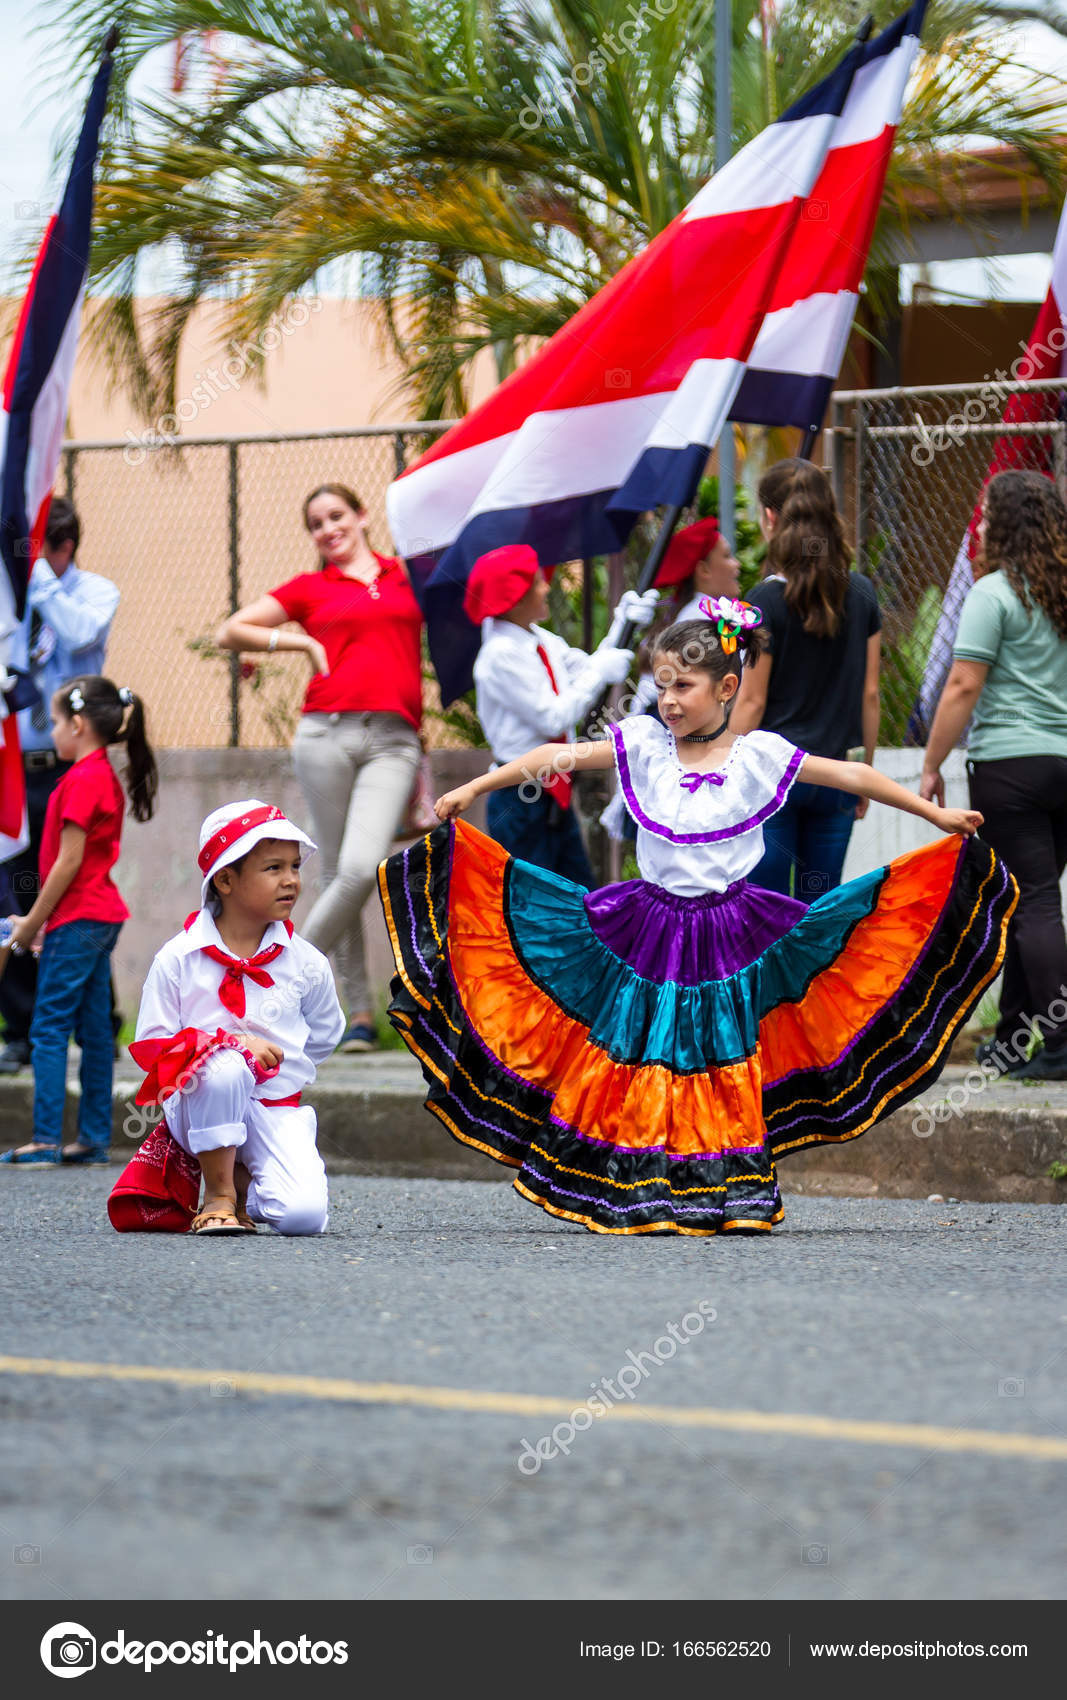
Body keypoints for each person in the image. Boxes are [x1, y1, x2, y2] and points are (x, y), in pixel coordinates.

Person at [377, 601, 1014, 1236]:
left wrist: (937, 818)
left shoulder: (758, 756)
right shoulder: (646, 745)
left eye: (683, 686)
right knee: (640, 1052)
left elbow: (849, 773)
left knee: (718, 1056)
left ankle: (721, 1182)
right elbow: (557, 756)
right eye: (660, 687)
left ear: (728, 687)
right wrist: (476, 788)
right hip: (647, 927)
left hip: (730, 932)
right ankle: (633, 1178)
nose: (669, 701)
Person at [217, 483, 422, 1054]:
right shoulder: (311, 588)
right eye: (316, 523)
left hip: (393, 740)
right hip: (323, 735)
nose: (329, 529)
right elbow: (229, 630)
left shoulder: (405, 573)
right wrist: (301, 647)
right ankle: (356, 1015)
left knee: (360, 869)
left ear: (361, 516)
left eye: (337, 516)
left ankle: (274, 979)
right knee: (337, 874)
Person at [120, 800, 346, 1235]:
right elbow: (152, 1045)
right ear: (224, 879)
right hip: (199, 1104)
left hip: (275, 1109)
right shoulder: (178, 958)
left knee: (304, 1218)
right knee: (224, 1070)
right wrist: (234, 1046)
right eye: (273, 868)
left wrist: (281, 1071)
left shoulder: (307, 962)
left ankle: (250, 1186)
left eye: (295, 866)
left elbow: (325, 1034)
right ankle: (218, 1194)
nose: (291, 881)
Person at [921, 469, 1067, 1081]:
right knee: (1021, 900)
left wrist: (930, 765)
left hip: (1011, 768)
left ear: (1002, 525)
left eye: (983, 517)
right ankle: (1011, 1038)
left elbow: (963, 684)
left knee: (1030, 900)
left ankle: (1059, 1045)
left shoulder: (993, 593)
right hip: (1063, 766)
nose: (976, 527)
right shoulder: (1060, 595)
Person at [1, 676, 156, 1166]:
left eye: (56, 723)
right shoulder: (96, 773)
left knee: (48, 1028)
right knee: (91, 1029)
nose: (52, 735)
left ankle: (45, 1140)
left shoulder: (83, 778)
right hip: (96, 915)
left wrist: (30, 924)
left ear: (79, 724)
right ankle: (91, 1139)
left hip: (80, 915)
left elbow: (69, 863)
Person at [0, 499, 120, 1074]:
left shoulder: (93, 591)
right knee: (16, 892)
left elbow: (78, 635)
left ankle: (98, 1026)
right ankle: (21, 1027)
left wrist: (38, 582)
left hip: (70, 770)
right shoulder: (11, 601)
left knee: (78, 892)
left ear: (61, 547)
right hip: (14, 768)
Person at [730, 458, 881, 900]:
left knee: (767, 910)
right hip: (837, 773)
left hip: (772, 778)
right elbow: (870, 694)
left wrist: (720, 770)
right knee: (820, 906)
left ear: (771, 517)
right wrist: (864, 771)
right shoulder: (862, 592)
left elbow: (752, 703)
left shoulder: (763, 601)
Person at [468, 543, 656, 884]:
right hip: (521, 796)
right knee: (534, 904)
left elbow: (584, 667)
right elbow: (553, 717)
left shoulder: (537, 638)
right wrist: (600, 670)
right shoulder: (499, 655)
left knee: (576, 894)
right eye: (538, 582)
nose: (546, 587)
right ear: (517, 597)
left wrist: (621, 625)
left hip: (553, 789)